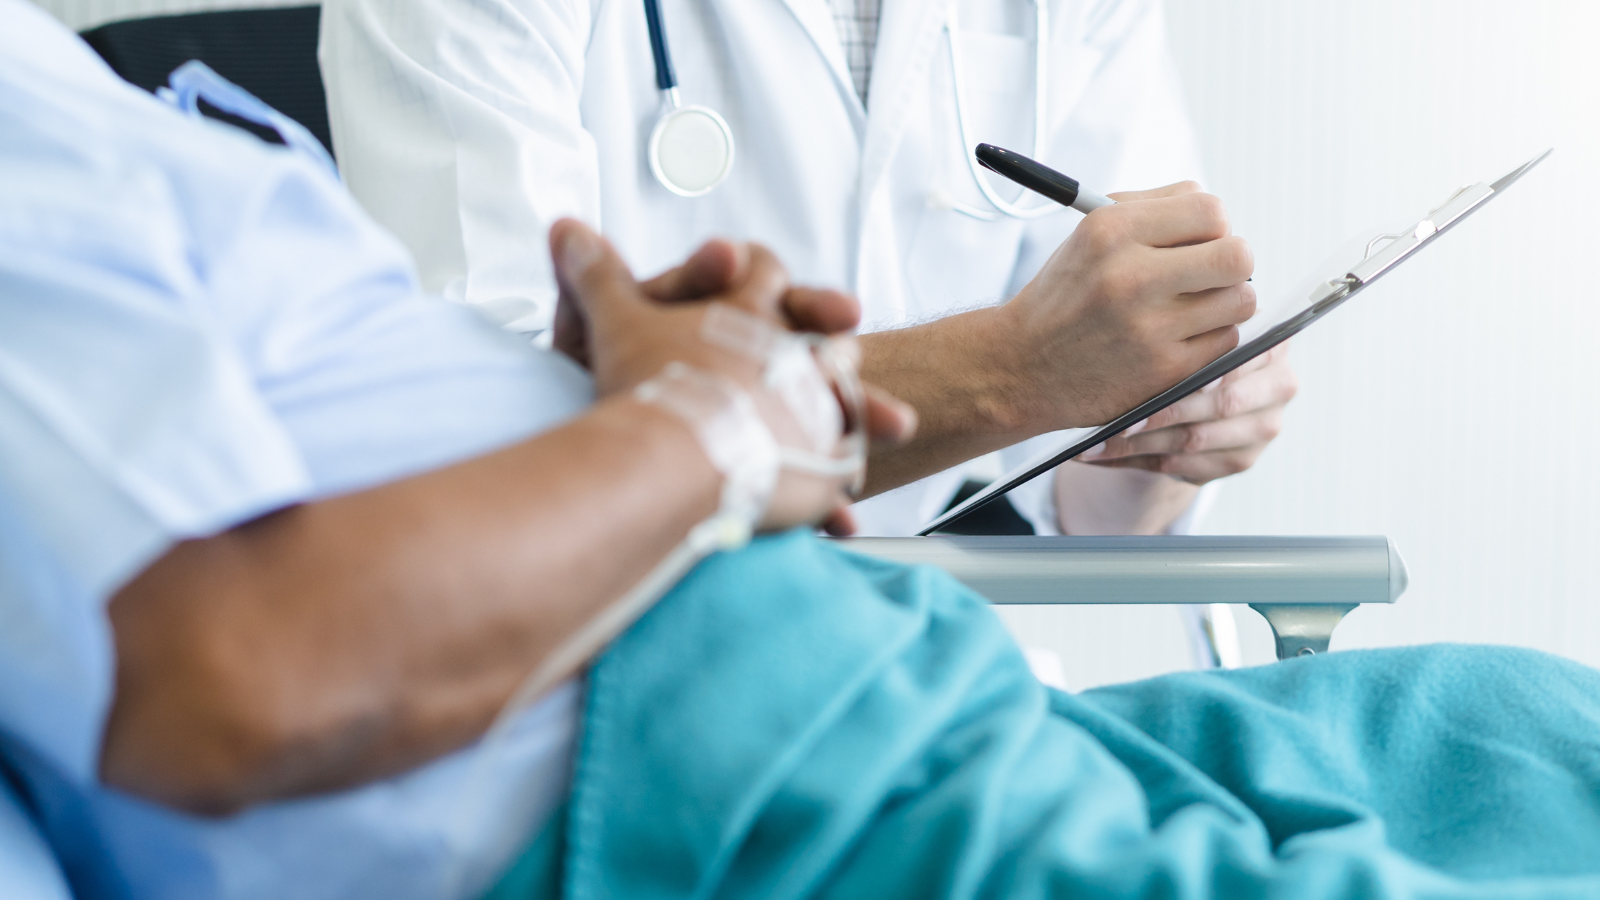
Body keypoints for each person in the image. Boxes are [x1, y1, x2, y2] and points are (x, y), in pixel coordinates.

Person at [10, 8, 1600, 900]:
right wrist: (763, 404)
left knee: (1533, 727)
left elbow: (1068, 485)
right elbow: (286, 639)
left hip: (930, 668)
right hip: (733, 722)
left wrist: (1155, 430)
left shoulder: (117, 131)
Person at [317, 0, 1299, 540]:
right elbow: (488, 443)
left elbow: (1072, 509)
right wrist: (1015, 370)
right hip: (620, 678)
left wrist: (1170, 420)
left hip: (946, 672)